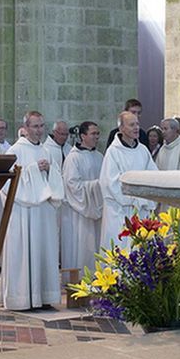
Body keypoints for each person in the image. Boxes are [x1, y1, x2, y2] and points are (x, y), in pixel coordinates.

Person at [1, 111, 64, 311]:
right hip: (24, 212)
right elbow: (7, 183)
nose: (39, 130)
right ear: (26, 127)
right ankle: (22, 298)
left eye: (41, 126)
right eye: (35, 126)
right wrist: (34, 169)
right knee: (25, 252)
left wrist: (49, 170)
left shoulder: (46, 150)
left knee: (44, 250)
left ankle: (44, 296)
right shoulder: (15, 150)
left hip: (44, 211)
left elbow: (56, 176)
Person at [100, 111, 158, 252]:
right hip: (120, 212)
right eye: (132, 125)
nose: (136, 128)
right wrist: (134, 199)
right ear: (121, 128)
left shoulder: (143, 150)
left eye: (137, 124)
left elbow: (153, 176)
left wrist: (144, 199)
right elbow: (111, 183)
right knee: (120, 251)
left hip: (141, 210)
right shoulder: (113, 152)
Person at [61, 122, 104, 271]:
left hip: (96, 209)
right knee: (81, 247)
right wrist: (96, 185)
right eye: (93, 134)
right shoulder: (73, 158)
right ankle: (78, 279)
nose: (96, 137)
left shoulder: (100, 156)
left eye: (97, 133)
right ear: (83, 136)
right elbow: (72, 185)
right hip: (79, 211)